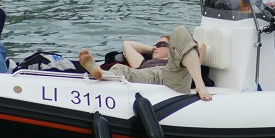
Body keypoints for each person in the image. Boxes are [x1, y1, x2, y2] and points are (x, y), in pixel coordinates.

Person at [78, 26, 212, 101]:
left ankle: (200, 87)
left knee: (180, 30)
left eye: (162, 44)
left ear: (172, 47)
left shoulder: (183, 62)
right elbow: (127, 44)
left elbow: (201, 47)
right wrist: (150, 49)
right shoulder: (144, 62)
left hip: (173, 75)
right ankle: (100, 73)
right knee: (120, 68)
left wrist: (178, 50)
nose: (157, 47)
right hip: (148, 75)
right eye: (156, 44)